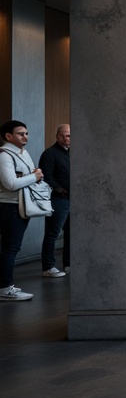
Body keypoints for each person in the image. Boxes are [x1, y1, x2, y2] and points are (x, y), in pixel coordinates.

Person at [0, 120, 42, 301]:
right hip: (10, 206)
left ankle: (7, 285)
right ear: (8, 136)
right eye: (20, 133)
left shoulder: (23, 153)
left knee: (11, 247)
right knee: (10, 248)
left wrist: (33, 176)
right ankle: (5, 288)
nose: (25, 136)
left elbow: (29, 176)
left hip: (21, 204)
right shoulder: (4, 156)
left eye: (26, 133)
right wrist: (34, 176)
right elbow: (10, 184)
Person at [37, 123, 70, 278]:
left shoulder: (72, 152)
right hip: (58, 199)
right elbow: (46, 176)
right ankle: (48, 267)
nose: (65, 138)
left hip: (73, 199)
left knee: (71, 233)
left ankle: (69, 264)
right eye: (62, 135)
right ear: (57, 136)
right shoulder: (49, 153)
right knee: (52, 234)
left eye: (69, 135)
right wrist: (60, 189)